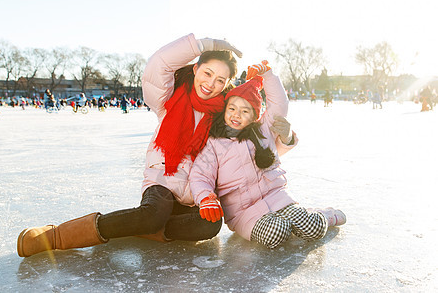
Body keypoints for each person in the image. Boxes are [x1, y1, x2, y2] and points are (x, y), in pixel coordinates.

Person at [17, 33, 245, 257]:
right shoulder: (169, 96)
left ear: (227, 84)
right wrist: (205, 45)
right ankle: (57, 236)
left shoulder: (224, 115)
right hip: (163, 180)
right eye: (207, 73)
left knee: (210, 225)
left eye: (220, 80)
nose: (210, 83)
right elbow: (160, 64)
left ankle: (141, 229)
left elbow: (250, 129)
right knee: (153, 215)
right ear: (196, 69)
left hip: (196, 192)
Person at [189, 61, 346, 249]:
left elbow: (279, 104)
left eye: (244, 111)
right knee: (276, 233)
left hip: (278, 197)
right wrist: (205, 197)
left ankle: (322, 216)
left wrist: (268, 76)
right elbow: (200, 174)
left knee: (311, 228)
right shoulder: (214, 143)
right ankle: (292, 221)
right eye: (232, 109)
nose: (236, 115)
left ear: (255, 115)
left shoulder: (263, 130)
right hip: (244, 213)